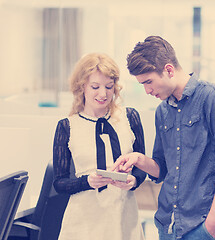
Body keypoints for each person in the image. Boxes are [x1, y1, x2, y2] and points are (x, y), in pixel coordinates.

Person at [112, 36, 215, 240]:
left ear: (169, 70)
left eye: (149, 82)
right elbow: (163, 168)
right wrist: (138, 159)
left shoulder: (213, 97)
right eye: (142, 85)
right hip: (168, 224)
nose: (147, 91)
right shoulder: (162, 111)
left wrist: (212, 223)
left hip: (203, 224)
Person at [52, 53, 146, 240]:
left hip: (124, 219)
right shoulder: (67, 126)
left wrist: (133, 181)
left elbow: (142, 167)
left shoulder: (130, 118)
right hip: (83, 223)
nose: (103, 94)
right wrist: (87, 182)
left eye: (109, 87)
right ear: (82, 87)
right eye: (95, 87)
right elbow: (59, 183)